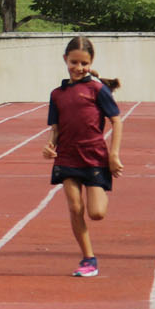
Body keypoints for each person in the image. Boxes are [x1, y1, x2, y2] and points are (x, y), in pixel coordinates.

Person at [43, 36, 123, 277]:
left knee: (96, 213)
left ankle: (100, 193)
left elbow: (116, 121)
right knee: (75, 207)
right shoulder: (57, 94)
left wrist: (114, 155)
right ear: (65, 59)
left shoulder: (98, 89)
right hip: (67, 157)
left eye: (84, 63)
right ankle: (88, 258)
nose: (79, 68)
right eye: (74, 62)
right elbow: (55, 128)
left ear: (91, 63)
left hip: (95, 156)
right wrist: (49, 146)